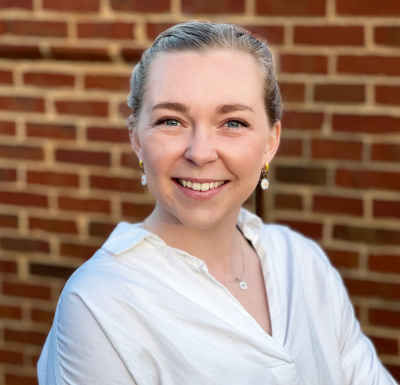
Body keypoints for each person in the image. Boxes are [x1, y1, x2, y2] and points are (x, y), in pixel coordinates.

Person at [37, 21, 396, 385]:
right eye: (171, 120)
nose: (200, 153)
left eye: (234, 123)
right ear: (136, 138)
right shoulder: (99, 303)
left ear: (270, 141)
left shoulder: (303, 262)